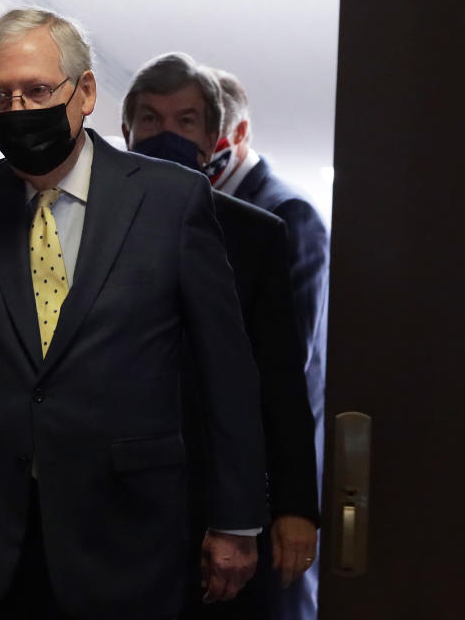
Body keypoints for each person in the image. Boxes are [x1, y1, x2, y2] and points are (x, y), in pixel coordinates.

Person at [0, 8, 265, 619]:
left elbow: (228, 372)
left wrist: (237, 521)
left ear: (85, 92)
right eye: (1, 97)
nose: (20, 109)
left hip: (126, 534)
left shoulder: (170, 199)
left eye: (37, 91)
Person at [121, 52, 320, 619]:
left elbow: (282, 383)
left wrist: (294, 506)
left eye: (185, 122)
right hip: (105, 501)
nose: (167, 133)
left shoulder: (258, 235)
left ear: (213, 139)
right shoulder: (81, 224)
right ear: (127, 131)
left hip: (216, 497)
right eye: (151, 119)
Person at [210, 68, 330, 620]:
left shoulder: (287, 214)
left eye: (199, 124)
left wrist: (287, 504)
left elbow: (285, 365)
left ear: (238, 134)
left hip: (263, 490)